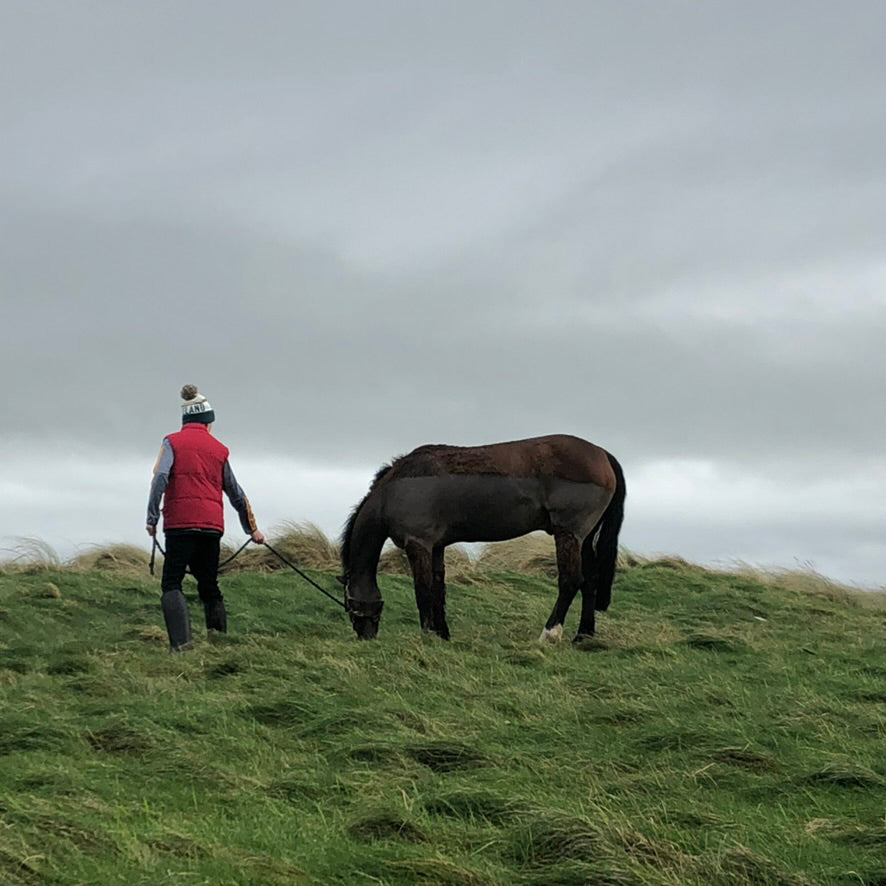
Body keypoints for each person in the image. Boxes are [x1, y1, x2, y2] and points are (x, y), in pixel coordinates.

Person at [146, 384, 265, 651]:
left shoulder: (171, 442)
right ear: (207, 422)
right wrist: (251, 530)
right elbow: (236, 492)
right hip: (212, 527)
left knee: (172, 582)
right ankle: (219, 643)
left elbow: (160, 477)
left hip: (179, 525)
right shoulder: (219, 450)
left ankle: (181, 645)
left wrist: (152, 517)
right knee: (209, 583)